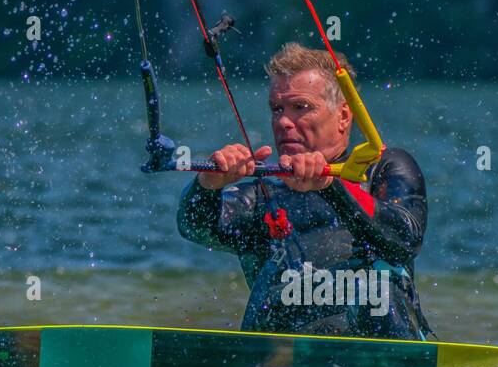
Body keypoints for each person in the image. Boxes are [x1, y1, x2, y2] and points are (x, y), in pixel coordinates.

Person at [177, 42, 434, 339]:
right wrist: (208, 185)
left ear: (343, 117)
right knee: (273, 290)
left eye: (301, 108)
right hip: (285, 365)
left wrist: (330, 186)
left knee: (376, 287)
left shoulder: (385, 169)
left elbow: (404, 239)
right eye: (277, 109)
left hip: (380, 345)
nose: (284, 122)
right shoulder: (262, 195)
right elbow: (195, 227)